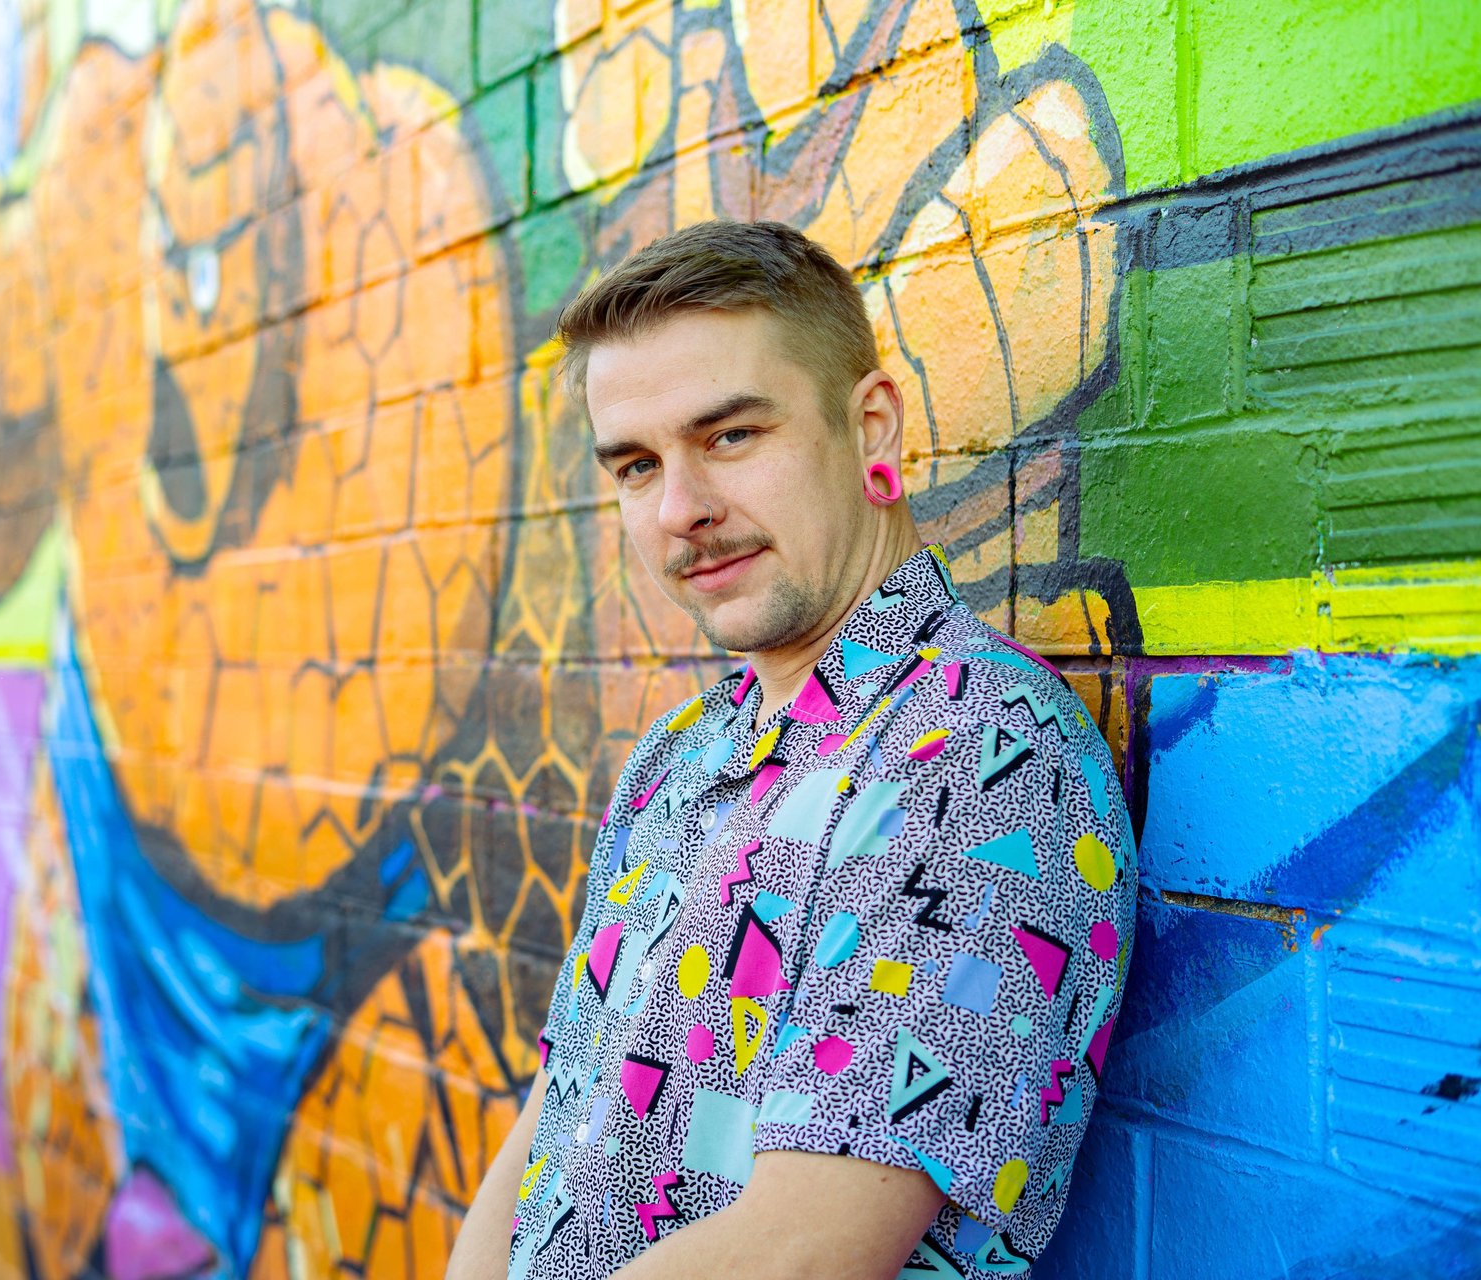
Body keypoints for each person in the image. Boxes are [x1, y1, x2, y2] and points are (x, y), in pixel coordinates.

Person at [445, 220, 1136, 1280]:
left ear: (871, 429)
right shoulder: (679, 758)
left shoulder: (981, 756)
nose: (683, 510)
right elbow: (562, 1108)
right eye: (636, 464)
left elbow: (804, 1252)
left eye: (729, 437)